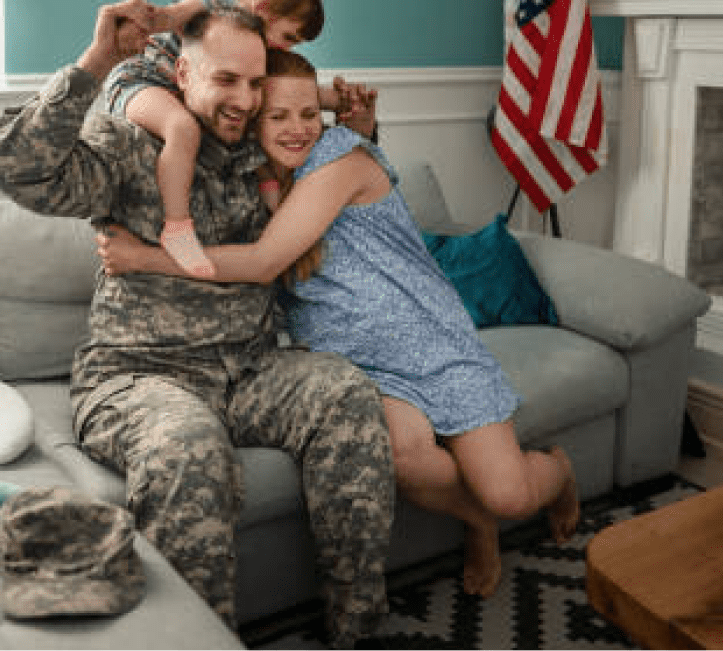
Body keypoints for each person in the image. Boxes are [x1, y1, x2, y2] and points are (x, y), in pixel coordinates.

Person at [99, 48, 582, 599]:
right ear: (253, 116)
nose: (298, 128)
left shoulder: (342, 156)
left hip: (432, 344)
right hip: (359, 366)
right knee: (403, 457)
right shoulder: (254, 183)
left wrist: (145, 257)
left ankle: (556, 473)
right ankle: (478, 522)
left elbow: (261, 264)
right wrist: (315, 97)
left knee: (510, 495)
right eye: (278, 115)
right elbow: (179, 81)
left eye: (310, 113)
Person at [0, 0, 395, 648]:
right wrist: (97, 62)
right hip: (139, 378)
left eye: (255, 82)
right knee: (188, 447)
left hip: (253, 367)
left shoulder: (267, 154)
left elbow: (339, 203)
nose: (243, 98)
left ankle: (358, 629)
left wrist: (361, 130)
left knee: (345, 392)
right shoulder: (131, 147)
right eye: (225, 79)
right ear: (182, 77)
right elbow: (20, 170)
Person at [102, 0, 370, 277]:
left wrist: (337, 99)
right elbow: (168, 16)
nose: (289, 50)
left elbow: (285, 94)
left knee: (249, 144)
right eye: (289, 38)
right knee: (182, 128)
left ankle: (274, 208)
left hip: (178, 90)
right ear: (263, 10)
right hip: (142, 81)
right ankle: (177, 227)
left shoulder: (255, 60)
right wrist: (143, 20)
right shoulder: (209, 8)